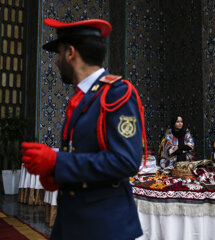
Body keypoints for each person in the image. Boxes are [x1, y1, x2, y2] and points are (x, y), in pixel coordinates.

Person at [21, 18, 146, 240]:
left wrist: (57, 162)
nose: (57, 62)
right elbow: (84, 154)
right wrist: (57, 174)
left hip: (104, 227)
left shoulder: (116, 93)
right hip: (73, 223)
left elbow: (127, 160)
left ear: (71, 53)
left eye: (59, 54)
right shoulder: (85, 96)